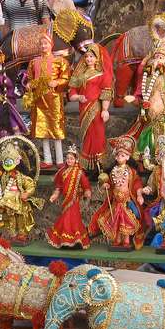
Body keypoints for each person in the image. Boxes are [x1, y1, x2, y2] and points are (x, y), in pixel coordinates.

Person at [24, 32, 69, 167]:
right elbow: (29, 79)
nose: (44, 46)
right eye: (41, 44)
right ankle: (48, 160)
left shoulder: (60, 61)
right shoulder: (34, 62)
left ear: (51, 45)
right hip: (39, 99)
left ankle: (60, 159)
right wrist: (29, 85)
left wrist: (57, 83)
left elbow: (66, 78)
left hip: (54, 98)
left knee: (55, 126)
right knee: (42, 128)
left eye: (46, 43)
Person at [67, 43, 112, 171]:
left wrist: (104, 110)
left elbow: (106, 92)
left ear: (97, 58)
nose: (88, 59)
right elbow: (72, 93)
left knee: (97, 134)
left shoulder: (102, 74)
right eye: (86, 57)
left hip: (96, 109)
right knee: (86, 135)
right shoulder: (80, 75)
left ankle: (99, 165)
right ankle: (88, 165)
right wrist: (78, 98)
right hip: (83, 109)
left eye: (92, 57)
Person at [46, 146, 91, 249]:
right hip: (65, 199)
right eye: (67, 158)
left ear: (76, 160)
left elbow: (85, 184)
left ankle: (75, 240)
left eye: (71, 158)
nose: (69, 160)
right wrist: (55, 195)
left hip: (74, 200)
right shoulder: (63, 172)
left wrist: (87, 191)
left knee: (72, 218)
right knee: (66, 217)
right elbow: (59, 186)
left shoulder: (79, 173)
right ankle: (66, 241)